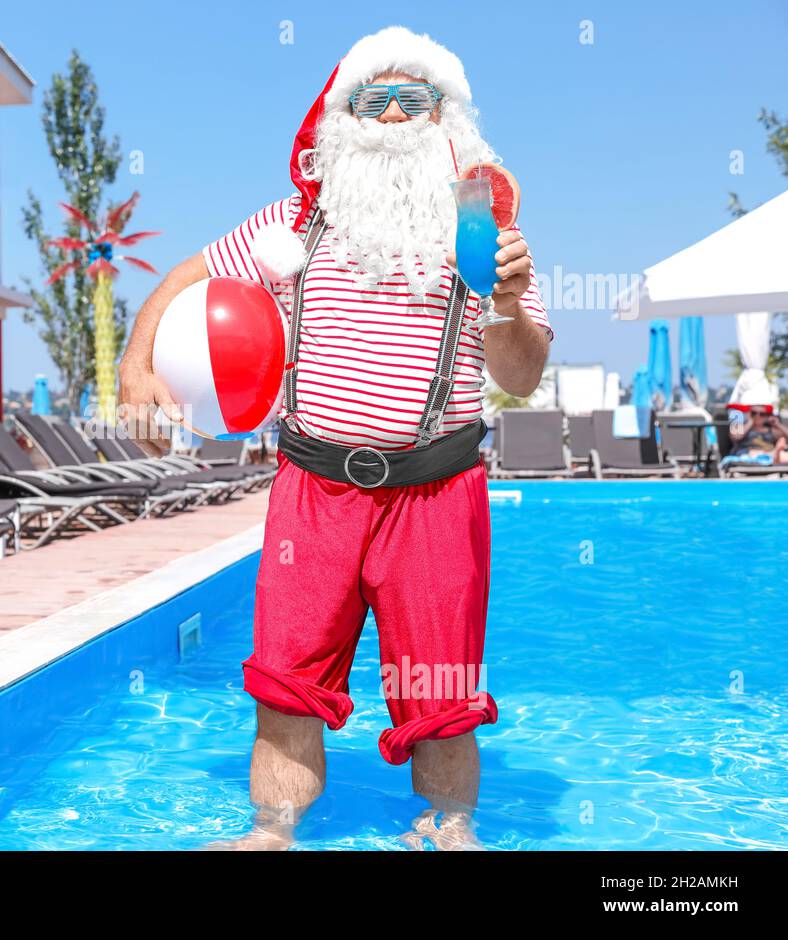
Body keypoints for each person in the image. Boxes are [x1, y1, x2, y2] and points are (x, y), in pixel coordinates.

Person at [119, 26, 553, 850]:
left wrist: (504, 297)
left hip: (437, 490)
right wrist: (135, 364)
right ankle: (273, 832)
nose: (391, 115)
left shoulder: (486, 234)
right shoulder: (293, 224)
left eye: (412, 99)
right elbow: (189, 275)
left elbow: (523, 374)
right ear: (339, 119)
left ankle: (449, 829)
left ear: (444, 118)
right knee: (285, 685)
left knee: (443, 695)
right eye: (371, 99)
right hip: (313, 492)